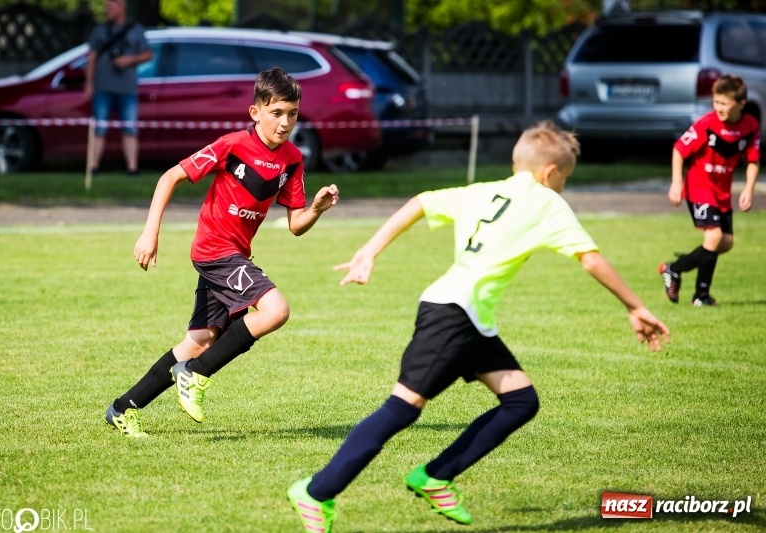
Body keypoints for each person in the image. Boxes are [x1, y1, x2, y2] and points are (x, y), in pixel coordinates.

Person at [287, 121, 670, 531]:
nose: (563, 188)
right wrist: (635, 306)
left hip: (469, 319)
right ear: (550, 172)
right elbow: (590, 258)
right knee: (401, 408)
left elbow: (419, 201)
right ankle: (317, 491)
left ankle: (436, 475)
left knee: (522, 400)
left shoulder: (483, 191)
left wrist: (369, 250)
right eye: (565, 180)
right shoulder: (547, 201)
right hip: (453, 315)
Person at [104, 67, 339, 437]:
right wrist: (151, 233)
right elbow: (170, 177)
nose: (285, 122)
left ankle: (122, 408)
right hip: (215, 250)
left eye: (291, 114)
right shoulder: (232, 146)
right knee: (275, 310)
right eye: (276, 113)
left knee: (200, 341)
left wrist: (317, 209)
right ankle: (195, 375)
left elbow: (296, 225)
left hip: (235, 254)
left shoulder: (292, 159)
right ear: (255, 112)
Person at [660, 74, 760, 307]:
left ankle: (675, 270)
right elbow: (679, 149)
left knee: (725, 242)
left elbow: (753, 159)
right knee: (713, 237)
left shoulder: (750, 127)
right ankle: (700, 295)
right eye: (716, 102)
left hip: (722, 192)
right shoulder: (707, 124)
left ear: (741, 104)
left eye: (724, 103)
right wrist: (676, 182)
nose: (719, 108)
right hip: (699, 188)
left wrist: (748, 188)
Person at [84, 0, 152, 176]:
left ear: (121, 6)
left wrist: (129, 60)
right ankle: (93, 168)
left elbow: (148, 54)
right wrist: (89, 83)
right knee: (99, 129)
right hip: (103, 88)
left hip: (127, 89)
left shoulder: (136, 30)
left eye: (110, 5)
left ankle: (132, 169)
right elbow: (91, 58)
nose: (107, 9)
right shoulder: (99, 31)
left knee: (130, 129)